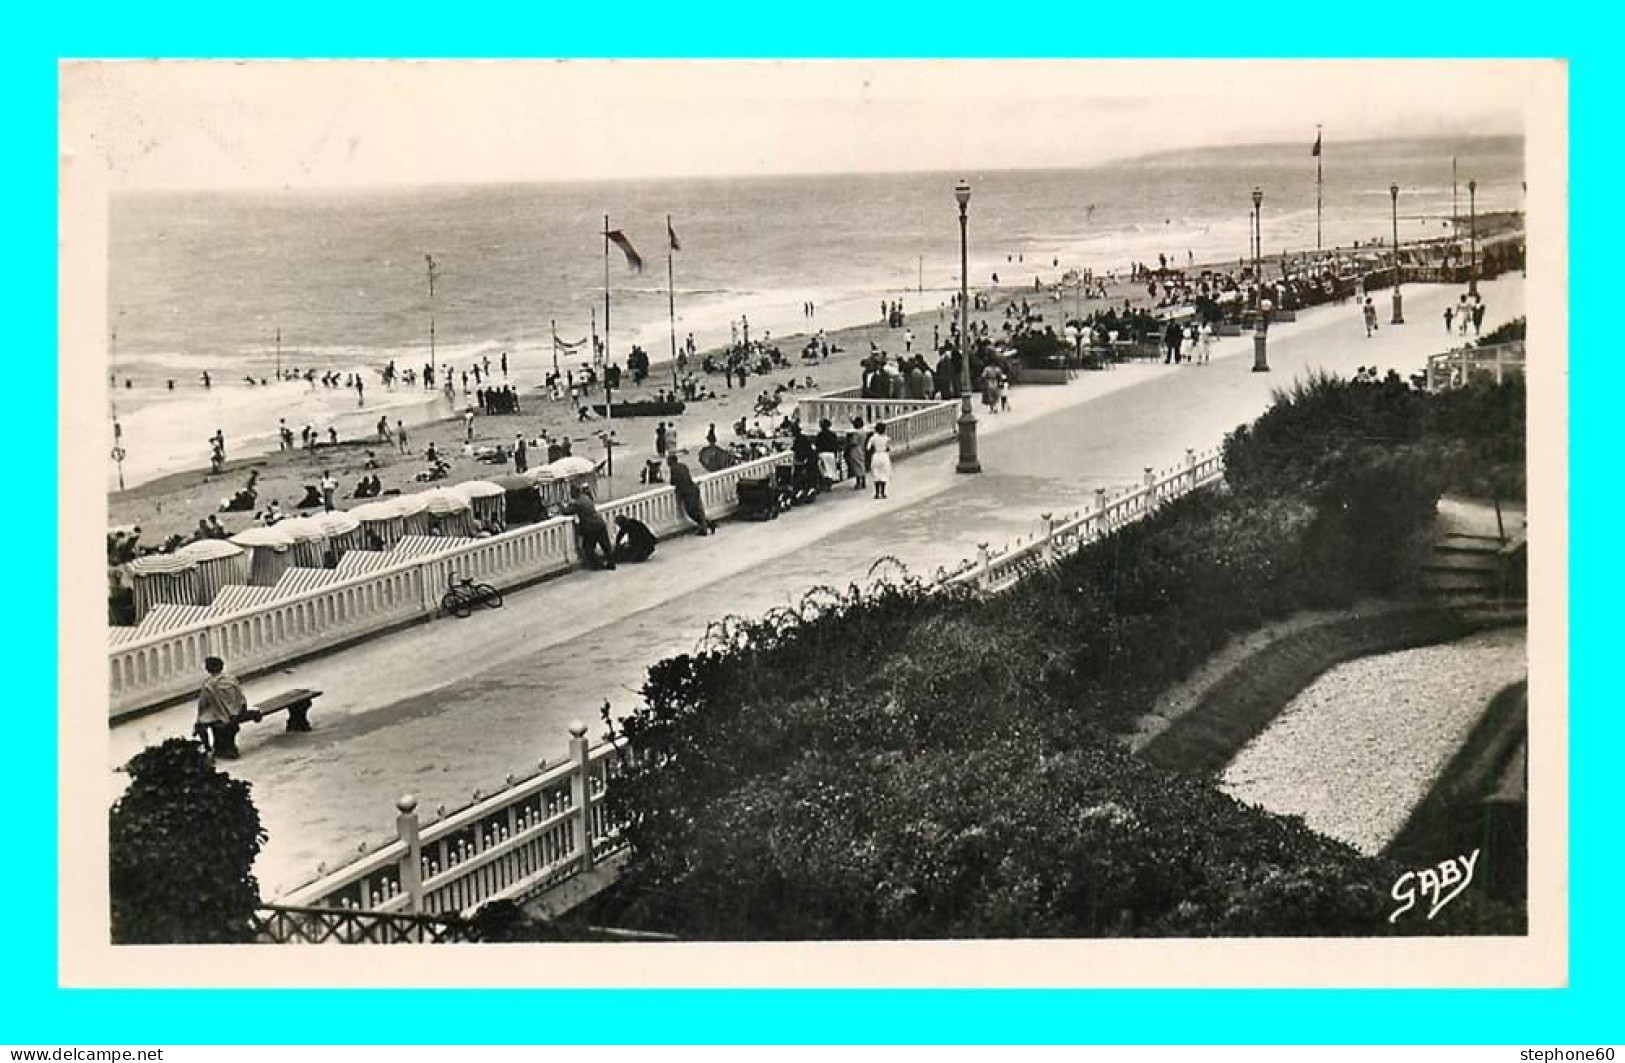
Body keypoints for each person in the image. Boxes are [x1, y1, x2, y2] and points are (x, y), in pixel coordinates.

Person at [195, 656, 249, 759]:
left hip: (221, 714)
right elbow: (240, 696)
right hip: (236, 711)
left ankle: (208, 748)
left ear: (208, 669)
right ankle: (225, 747)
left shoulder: (208, 684)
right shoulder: (231, 679)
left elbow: (203, 703)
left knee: (201, 723)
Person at [560, 485, 614, 569]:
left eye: (571, 493)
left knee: (588, 547)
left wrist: (561, 506)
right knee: (606, 546)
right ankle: (611, 563)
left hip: (590, 527)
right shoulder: (586, 498)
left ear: (574, 493)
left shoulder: (577, 503)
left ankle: (597, 564)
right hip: (600, 523)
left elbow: (567, 511)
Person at [666, 452, 717, 535]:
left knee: (691, 512)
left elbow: (672, 481)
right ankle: (707, 524)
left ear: (671, 462)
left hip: (687, 492)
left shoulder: (673, 468)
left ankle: (705, 527)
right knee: (698, 510)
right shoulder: (683, 465)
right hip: (693, 488)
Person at [867, 421, 893, 500]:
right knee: (884, 474)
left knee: (876, 474)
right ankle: (883, 492)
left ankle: (877, 493)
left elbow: (868, 448)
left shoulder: (873, 438)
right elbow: (888, 448)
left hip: (876, 456)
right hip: (884, 456)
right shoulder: (886, 438)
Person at [845, 417, 870, 491]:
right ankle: (863, 481)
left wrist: (847, 446)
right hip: (861, 449)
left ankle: (858, 482)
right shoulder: (863, 432)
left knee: (856, 466)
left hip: (855, 450)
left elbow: (854, 442)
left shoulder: (856, 433)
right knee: (861, 465)